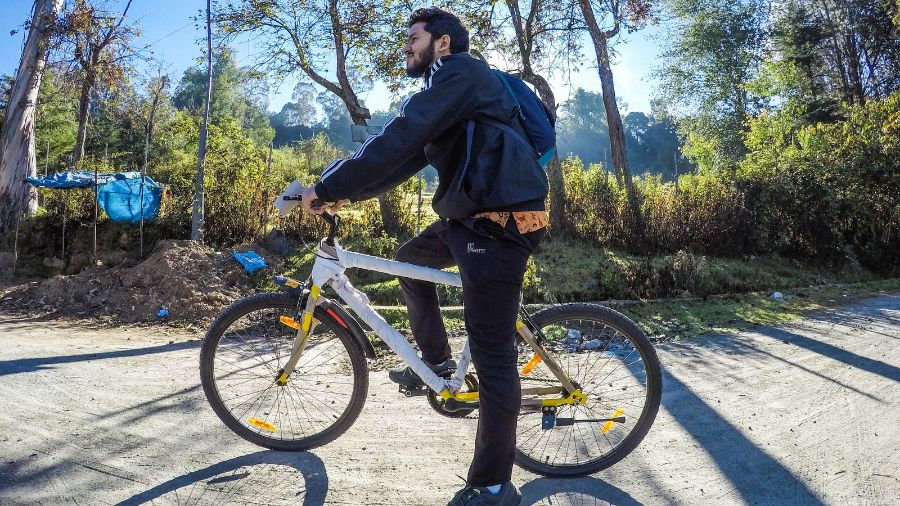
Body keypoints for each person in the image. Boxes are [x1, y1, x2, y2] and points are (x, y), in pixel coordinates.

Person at [296, 7, 548, 505]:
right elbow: (405, 158)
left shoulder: (462, 75)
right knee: (411, 260)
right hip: (472, 218)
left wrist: (326, 183)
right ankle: (434, 365)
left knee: (495, 355)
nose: (406, 47)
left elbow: (401, 135)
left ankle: (494, 485)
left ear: (443, 43)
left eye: (413, 38)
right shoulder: (446, 89)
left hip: (502, 226)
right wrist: (342, 194)